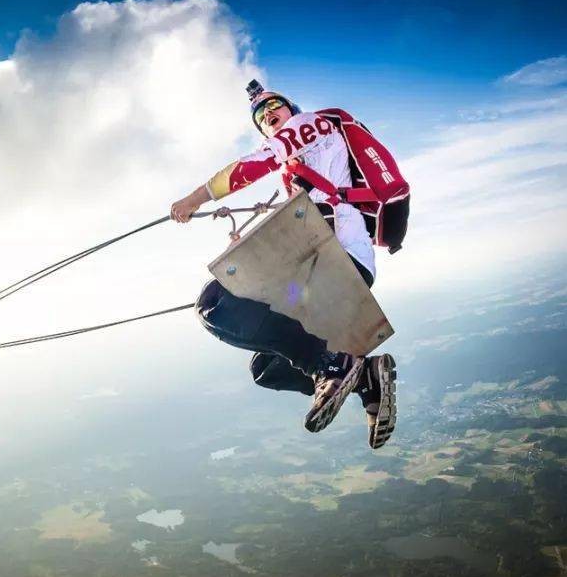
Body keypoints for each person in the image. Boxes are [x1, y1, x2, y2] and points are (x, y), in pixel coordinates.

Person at [169, 81, 397, 448]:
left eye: (274, 107)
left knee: (215, 304)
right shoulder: (302, 172)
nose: (268, 116)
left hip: (334, 261)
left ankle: (330, 365)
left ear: (291, 109)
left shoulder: (312, 126)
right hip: (324, 273)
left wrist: (195, 199)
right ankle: (364, 377)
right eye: (260, 117)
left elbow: (254, 165)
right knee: (266, 369)